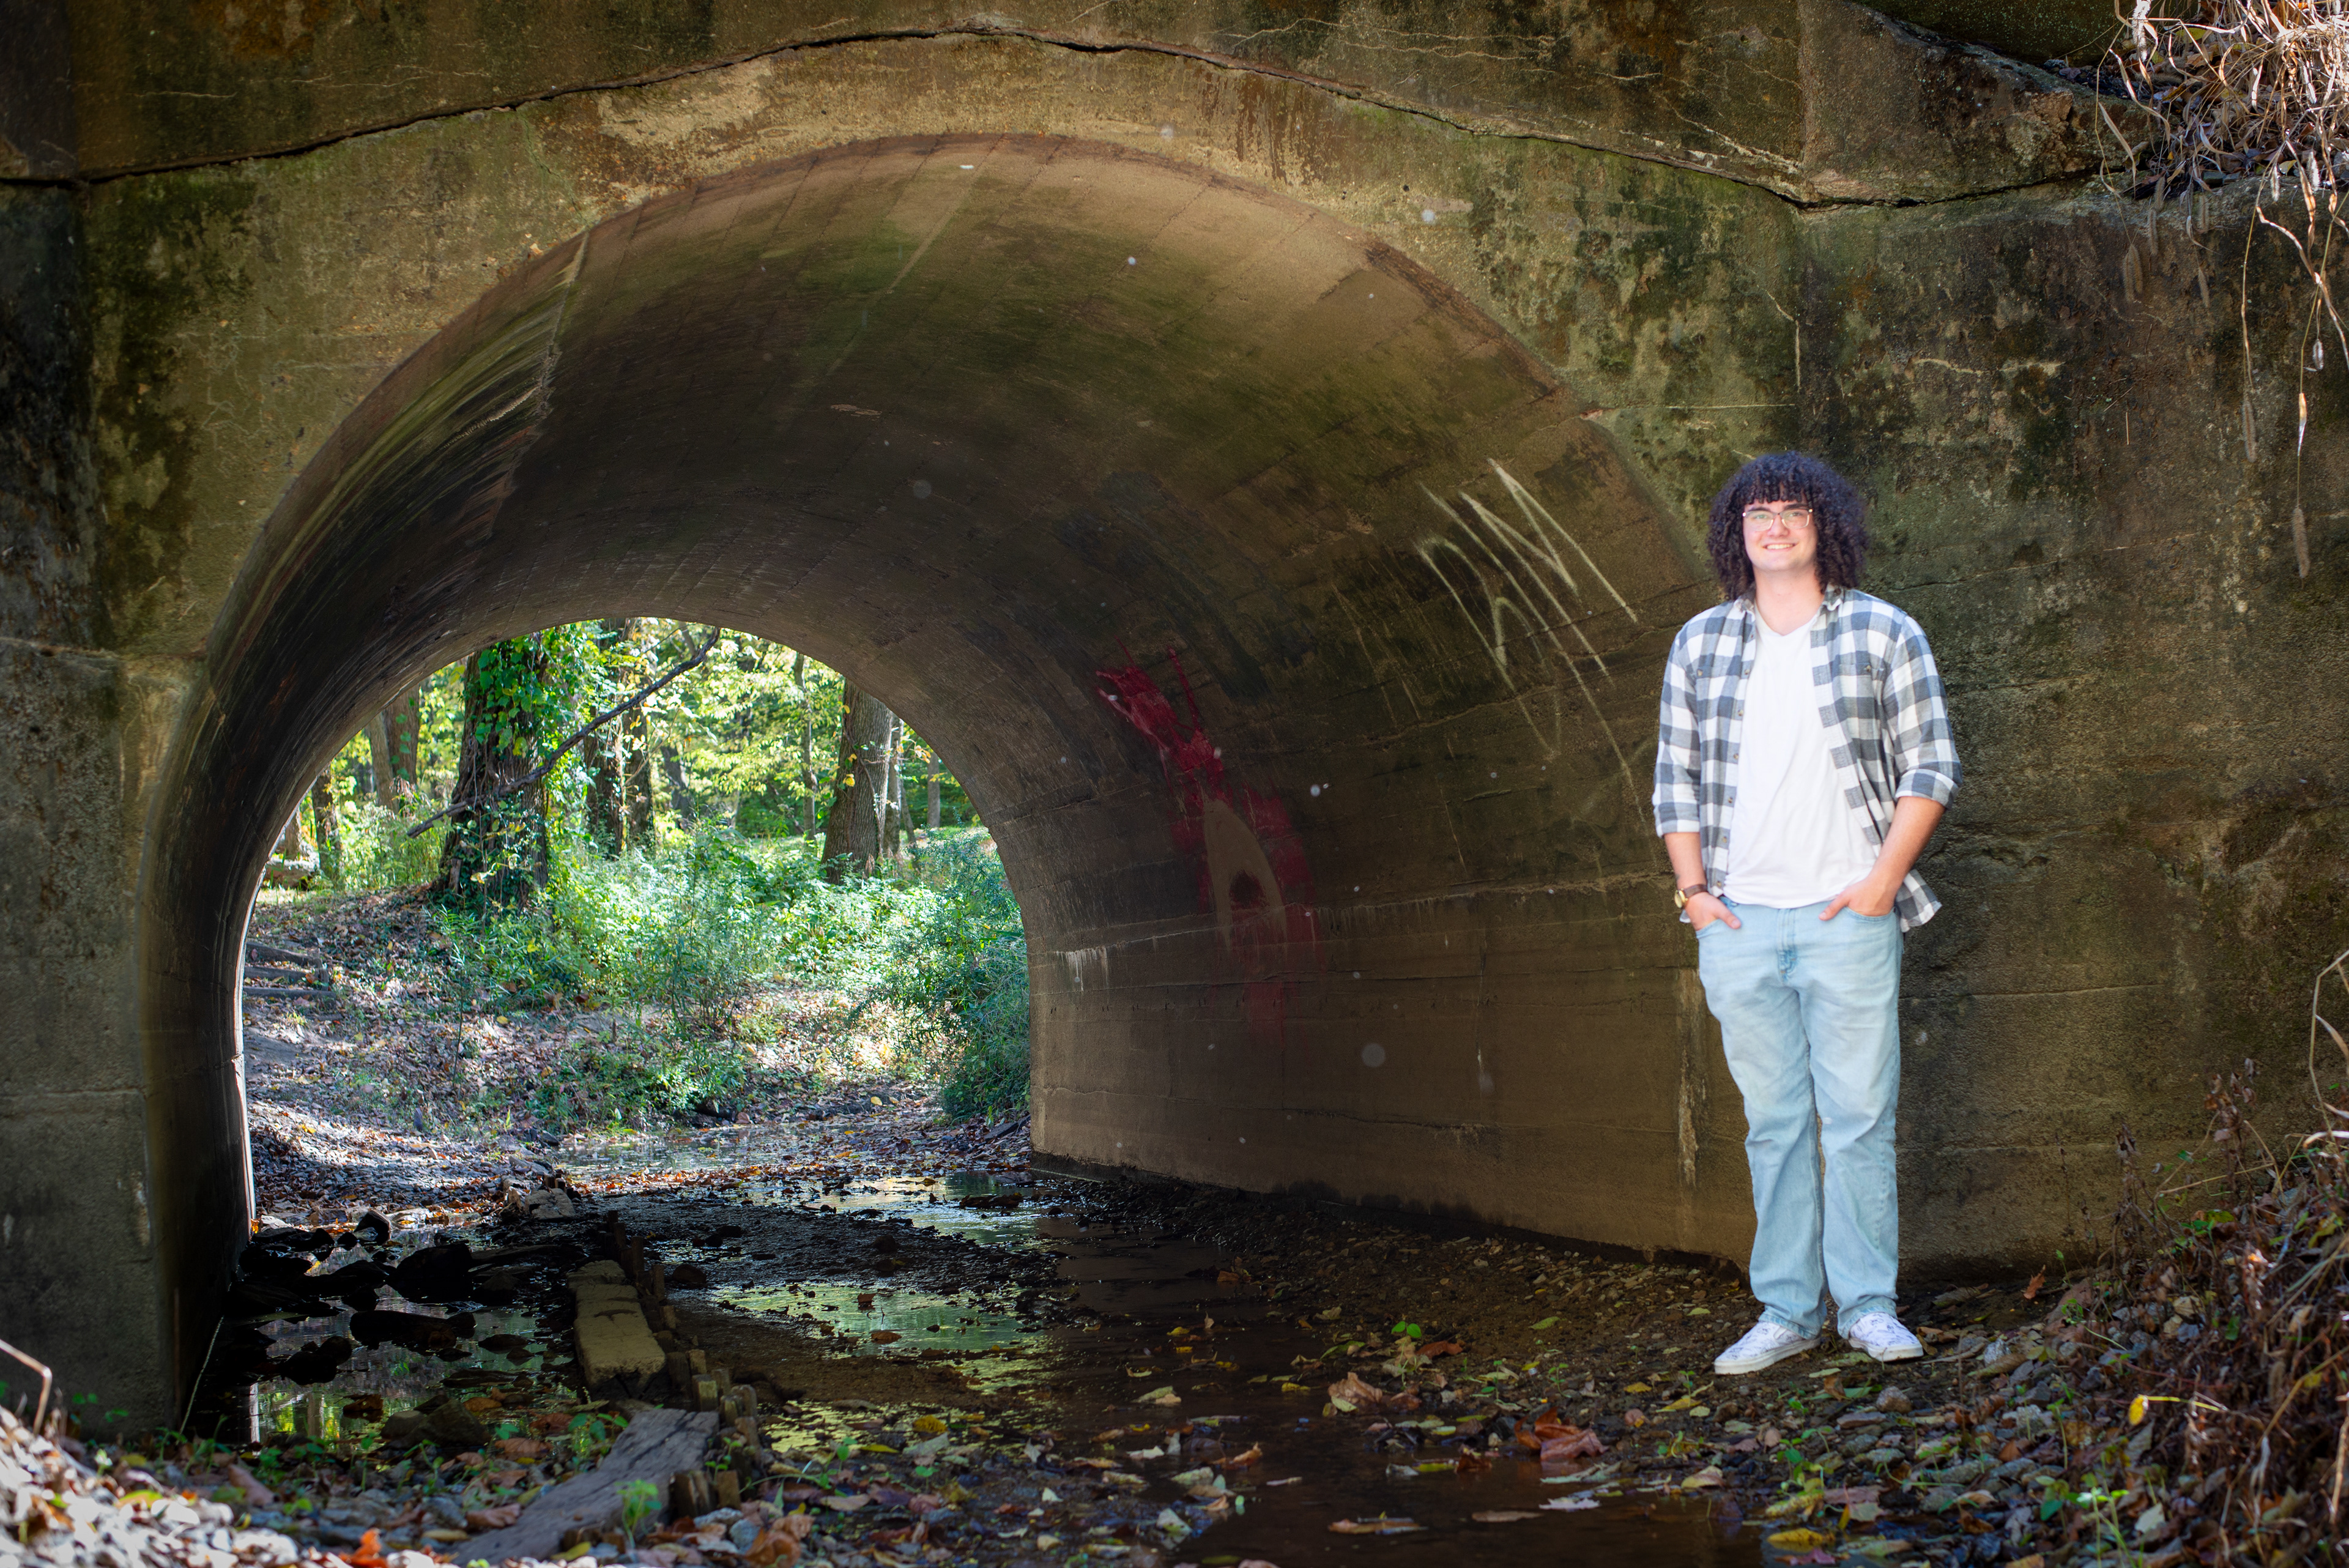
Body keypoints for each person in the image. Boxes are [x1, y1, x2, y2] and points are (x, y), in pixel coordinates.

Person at [1652, 451, 1960, 1373]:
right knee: (1775, 1125)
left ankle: (1867, 1307)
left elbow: (1931, 766)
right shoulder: (1700, 642)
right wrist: (1696, 896)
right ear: (1736, 532)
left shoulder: (1884, 630)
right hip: (1740, 924)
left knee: (1859, 1120)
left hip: (1847, 920)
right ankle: (1787, 1311)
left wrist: (1879, 885)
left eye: (1792, 509)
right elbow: (1675, 782)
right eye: (1758, 513)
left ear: (1824, 524)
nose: (1775, 525)